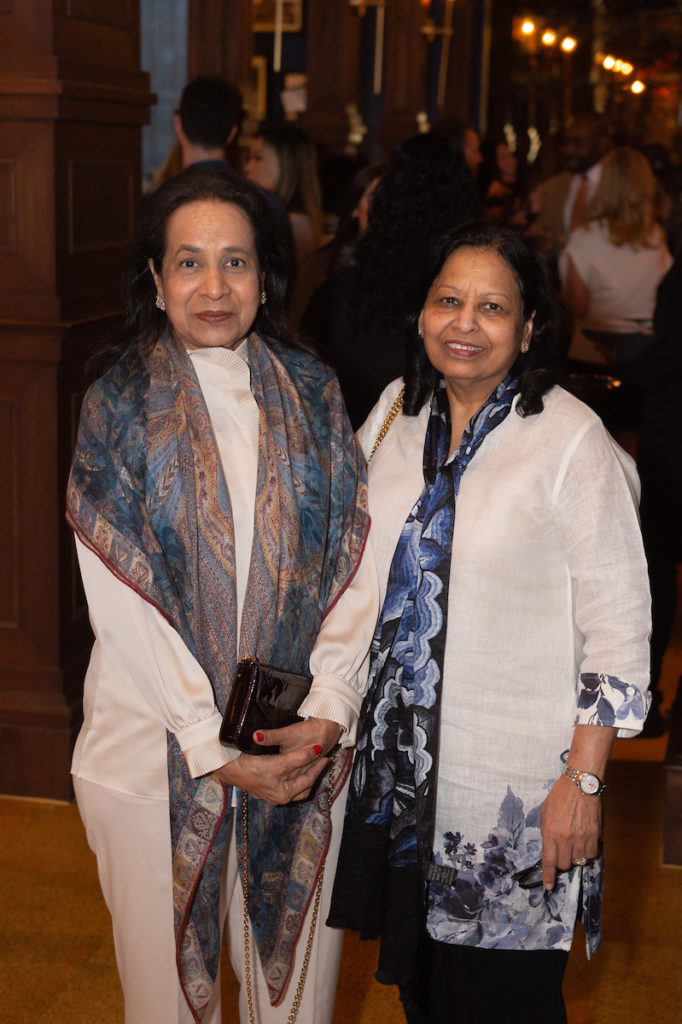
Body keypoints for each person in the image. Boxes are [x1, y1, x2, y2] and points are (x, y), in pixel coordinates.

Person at [66, 167, 378, 1024]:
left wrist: (335, 703)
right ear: (156, 281)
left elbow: (355, 558)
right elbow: (120, 593)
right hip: (150, 750)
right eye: (190, 263)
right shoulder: (117, 406)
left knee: (297, 1004)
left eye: (235, 263)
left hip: (300, 744)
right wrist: (209, 743)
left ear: (266, 278)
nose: (214, 286)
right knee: (165, 1003)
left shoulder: (314, 394)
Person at [329, 222, 651, 1023]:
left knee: (507, 1002)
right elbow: (350, 577)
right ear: (422, 314)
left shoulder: (568, 439)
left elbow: (619, 625)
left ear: (530, 326)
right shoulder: (396, 416)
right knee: (423, 995)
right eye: (448, 301)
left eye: (492, 307)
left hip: (513, 796)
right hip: (405, 789)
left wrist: (583, 783)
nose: (464, 323)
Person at [301, 133, 481, 428]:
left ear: (385, 205)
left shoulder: (339, 293)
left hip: (353, 452)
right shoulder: (470, 307)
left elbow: (304, 384)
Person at [559, 146, 672, 370]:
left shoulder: (584, 236)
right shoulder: (656, 236)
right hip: (647, 351)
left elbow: (578, 306)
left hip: (596, 349)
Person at [173, 75, 291, 244]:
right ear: (232, 133)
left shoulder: (159, 203)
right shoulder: (269, 204)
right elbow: (282, 269)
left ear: (178, 125)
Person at [531, 111, 612, 261]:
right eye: (566, 143)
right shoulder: (552, 187)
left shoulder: (617, 187)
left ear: (602, 143)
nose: (568, 150)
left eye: (578, 143)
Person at [244, 124, 324, 267]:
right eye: (249, 158)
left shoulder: (295, 221)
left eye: (257, 158)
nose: (248, 167)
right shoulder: (289, 217)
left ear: (286, 164)